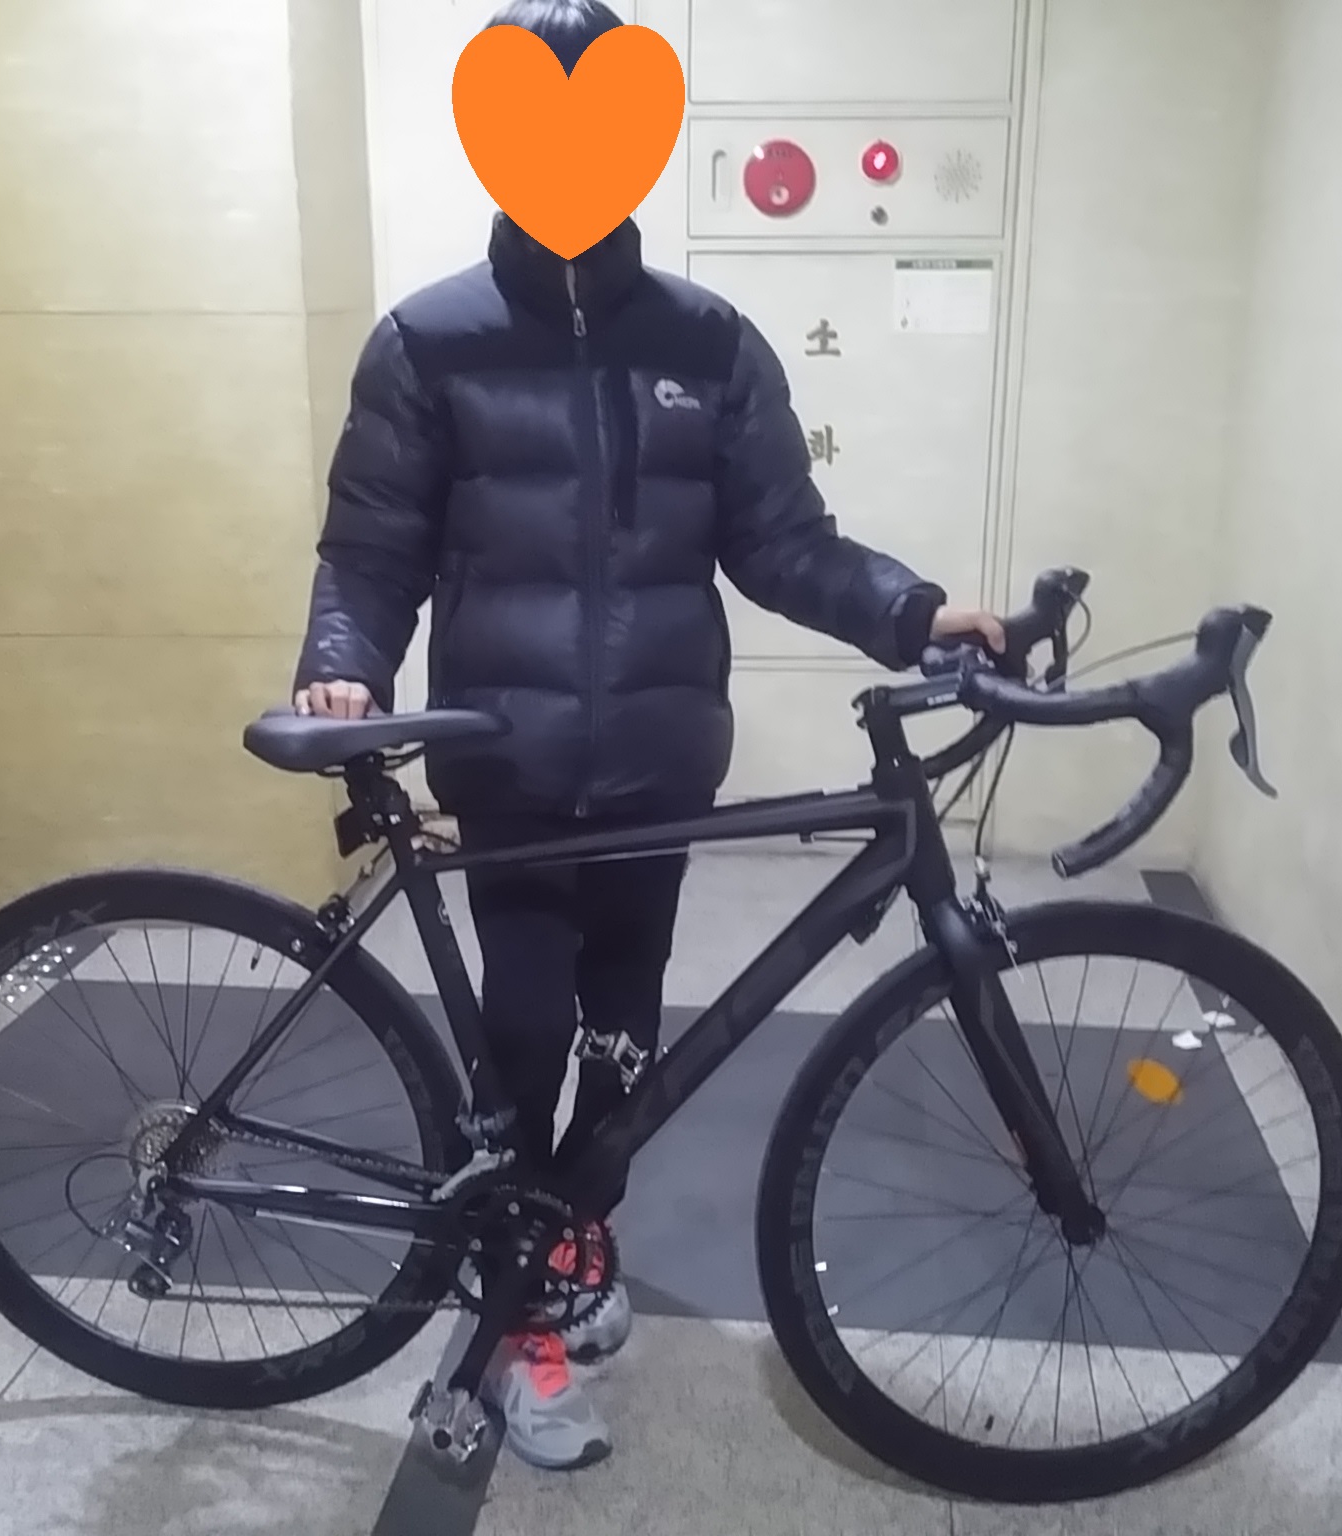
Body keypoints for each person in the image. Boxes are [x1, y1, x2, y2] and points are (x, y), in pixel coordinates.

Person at [291, 0, 1005, 1472]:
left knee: (624, 1038)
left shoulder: (708, 342)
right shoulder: (429, 341)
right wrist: (344, 667)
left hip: (659, 767)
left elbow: (783, 541)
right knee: (526, 1038)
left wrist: (913, 611)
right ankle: (521, 1332)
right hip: (505, 762)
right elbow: (370, 550)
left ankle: (575, 1238)